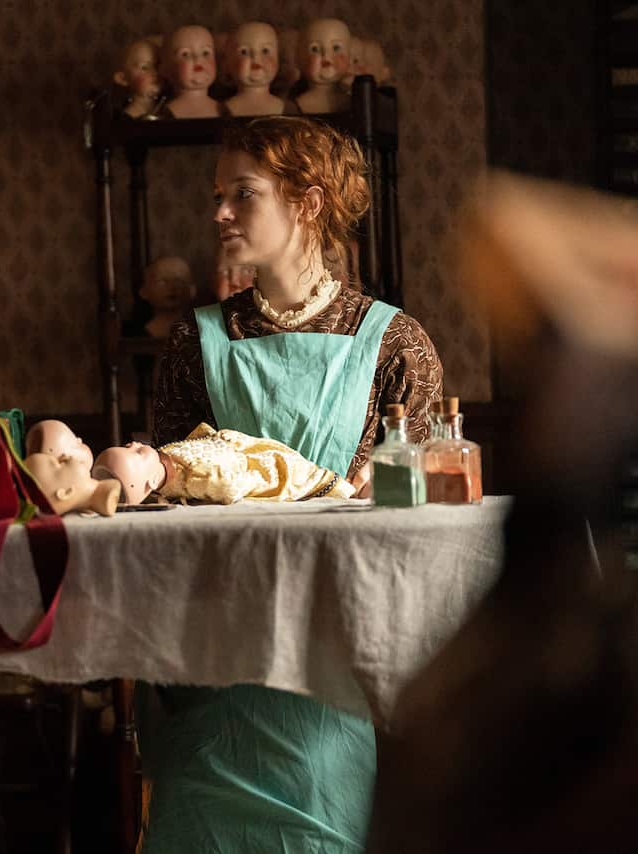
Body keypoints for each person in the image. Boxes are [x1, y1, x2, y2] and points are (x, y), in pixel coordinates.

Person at [143, 116, 442, 853]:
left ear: (307, 203)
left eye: (242, 195)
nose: (218, 214)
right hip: (215, 644)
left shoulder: (395, 344)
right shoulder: (197, 340)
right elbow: (161, 499)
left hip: (337, 652)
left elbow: (415, 524)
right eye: (218, 195)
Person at [93, 425, 355, 506]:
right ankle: (342, 490)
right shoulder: (198, 478)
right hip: (251, 463)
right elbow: (229, 487)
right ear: (150, 483)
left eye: (129, 445)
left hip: (236, 445)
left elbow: (192, 444)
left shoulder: (162, 458)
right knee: (294, 471)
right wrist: (252, 477)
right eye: (136, 453)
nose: (133, 445)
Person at [160, 24, 223, 118]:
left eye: (206, 53)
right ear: (166, 68)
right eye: (185, 54)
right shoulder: (165, 113)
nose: (198, 59)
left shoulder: (223, 108)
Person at [295, 17, 353, 114]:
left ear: (350, 56)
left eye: (336, 48)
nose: (326, 56)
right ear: (299, 59)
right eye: (315, 49)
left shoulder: (355, 101)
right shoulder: (295, 106)